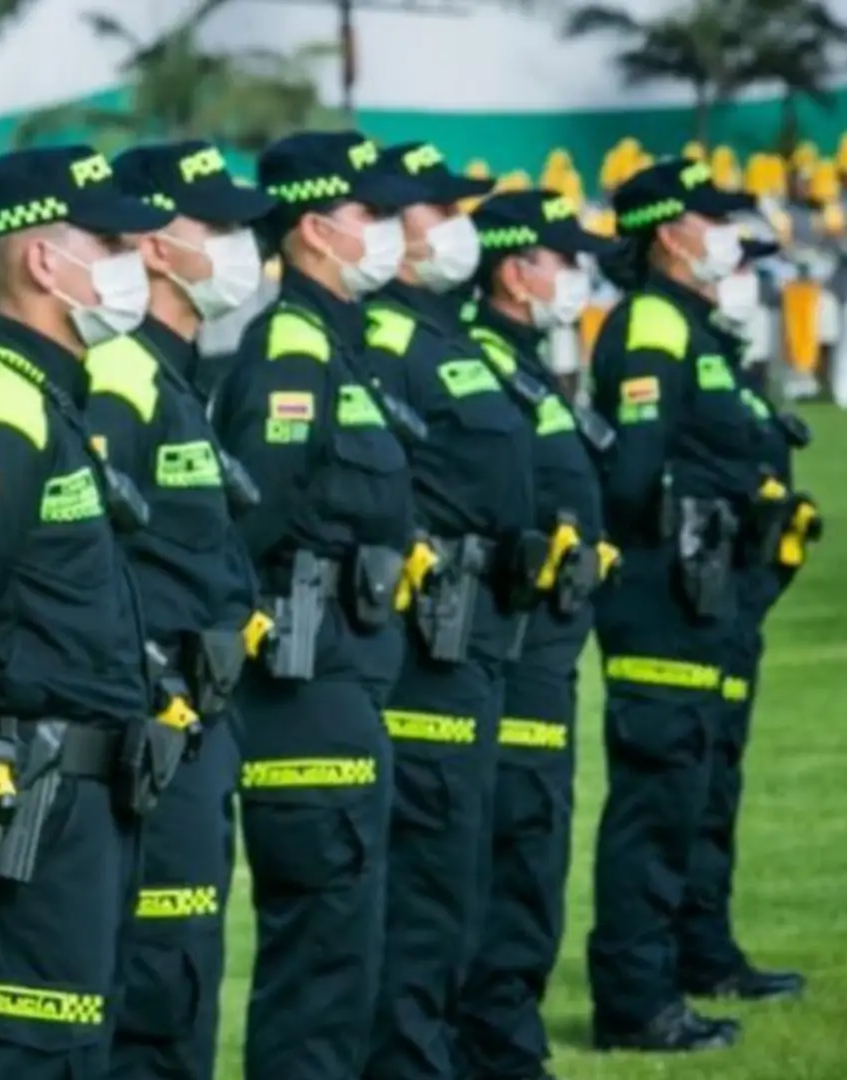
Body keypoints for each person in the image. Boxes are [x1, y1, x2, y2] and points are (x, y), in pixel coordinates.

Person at [0, 145, 165, 1078]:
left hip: (81, 804)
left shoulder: (46, 395)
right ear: (43, 260)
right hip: (23, 808)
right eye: (110, 243)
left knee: (74, 1049)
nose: (132, 261)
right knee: (19, 1052)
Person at [209, 130, 418, 1080]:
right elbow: (249, 522)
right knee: (321, 953)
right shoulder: (292, 351)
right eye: (370, 212)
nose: (389, 227)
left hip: (348, 669)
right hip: (303, 680)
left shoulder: (341, 344)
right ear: (313, 229)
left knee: (349, 944)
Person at [356, 142, 537, 1080]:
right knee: (424, 888)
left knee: (463, 875)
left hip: (484, 636)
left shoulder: (449, 332)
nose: (462, 228)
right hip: (428, 642)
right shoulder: (383, 339)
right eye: (443, 210)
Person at [93, 139, 273, 1080]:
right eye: (221, 226)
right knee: (157, 987)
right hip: (151, 734)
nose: (242, 246)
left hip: (199, 729)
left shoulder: (174, 375)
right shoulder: (120, 376)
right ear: (156, 245)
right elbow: (85, 557)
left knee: (188, 973)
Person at [587, 156, 769, 1053]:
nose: (728, 234)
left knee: (698, 784)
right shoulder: (654, 322)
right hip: (666, 592)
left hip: (708, 592)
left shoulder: (691, 323)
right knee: (657, 801)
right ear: (669, 231)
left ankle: (698, 958)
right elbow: (632, 473)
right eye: (712, 217)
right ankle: (636, 1001)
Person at [457, 188, 622, 1080]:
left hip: (546, 654)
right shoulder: (480, 362)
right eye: (564, 260)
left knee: (534, 847)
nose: (578, 276)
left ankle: (506, 1040)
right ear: (516, 272)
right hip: (516, 653)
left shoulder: (521, 362)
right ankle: (499, 1049)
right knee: (516, 849)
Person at [672, 235, 811, 1004]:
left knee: (717, 784)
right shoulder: (668, 335)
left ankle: (708, 950)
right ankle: (667, 967)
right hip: (694, 593)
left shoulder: (721, 353)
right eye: (736, 267)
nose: (745, 282)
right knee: (685, 787)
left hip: (736, 592)